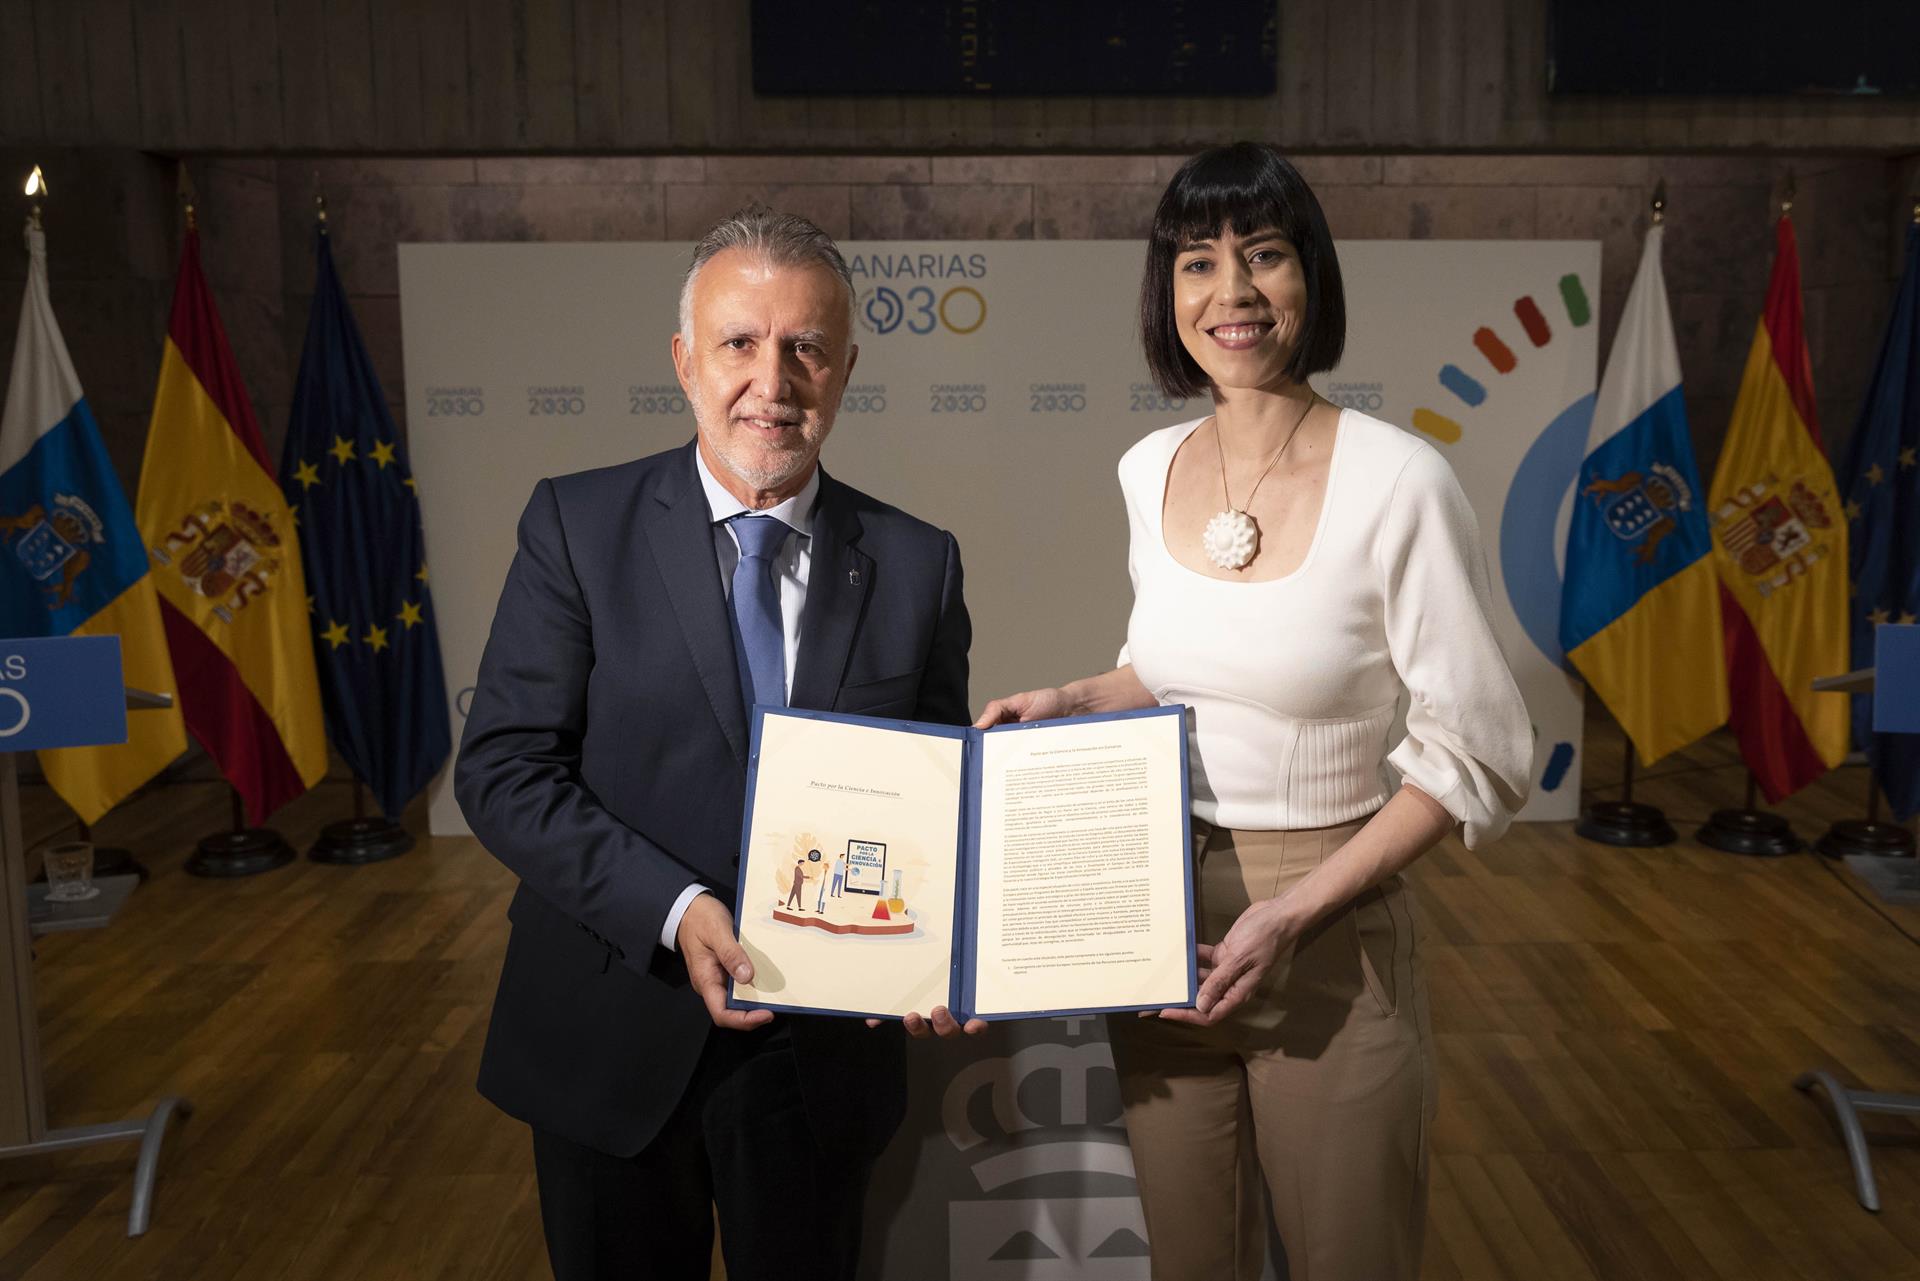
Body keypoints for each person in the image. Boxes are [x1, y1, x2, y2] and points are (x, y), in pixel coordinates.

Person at [971, 143, 1533, 1279]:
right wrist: (1075, 698)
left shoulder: (1400, 480)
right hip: (1157, 912)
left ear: (1309, 279)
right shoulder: (1148, 468)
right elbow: (1171, 668)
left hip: (1331, 920)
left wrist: (1299, 911)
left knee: (1347, 1259)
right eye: (1196, 264)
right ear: (1164, 294)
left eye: (1262, 256)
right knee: (1189, 1258)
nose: (1229, 293)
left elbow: (1476, 751)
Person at [456, 207, 971, 1280]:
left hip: (821, 1051)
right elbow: (504, 771)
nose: (771, 381)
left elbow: (937, 800)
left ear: (845, 368)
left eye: (805, 347)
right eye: (740, 342)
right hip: (614, 1024)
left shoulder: (918, 564)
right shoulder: (576, 527)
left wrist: (945, 937)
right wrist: (677, 909)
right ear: (685, 362)